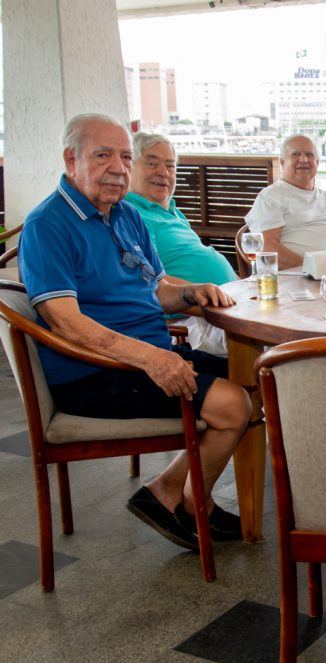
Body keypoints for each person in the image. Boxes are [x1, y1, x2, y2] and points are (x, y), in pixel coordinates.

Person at [18, 113, 252, 551]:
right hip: (93, 374)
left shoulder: (126, 215)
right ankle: (175, 497)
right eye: (103, 155)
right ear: (72, 159)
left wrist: (192, 293)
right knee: (232, 403)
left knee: (253, 376)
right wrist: (152, 358)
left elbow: (157, 288)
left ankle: (183, 497)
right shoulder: (47, 224)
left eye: (125, 157)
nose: (119, 168)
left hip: (148, 355)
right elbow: (65, 321)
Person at [125, 132, 238, 355]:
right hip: (192, 320)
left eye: (170, 165)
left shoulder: (171, 212)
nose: (163, 172)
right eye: (152, 163)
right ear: (129, 167)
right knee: (281, 346)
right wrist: (211, 298)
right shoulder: (133, 215)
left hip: (222, 309)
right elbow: (154, 281)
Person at [245, 134, 326, 269]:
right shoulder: (270, 197)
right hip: (296, 280)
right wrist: (313, 269)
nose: (304, 159)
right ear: (282, 162)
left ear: (317, 162)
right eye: (295, 154)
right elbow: (267, 248)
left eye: (310, 155)